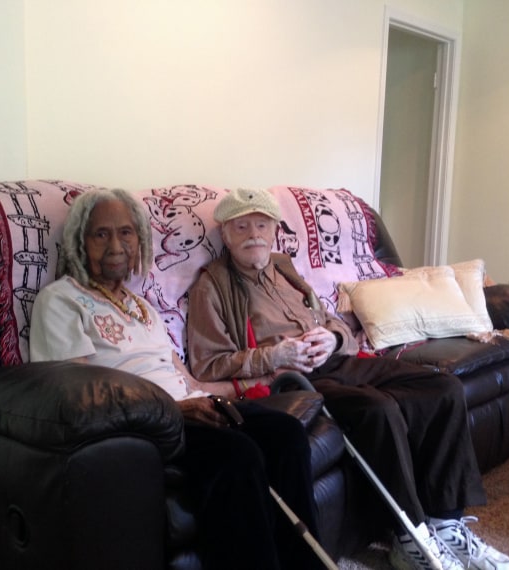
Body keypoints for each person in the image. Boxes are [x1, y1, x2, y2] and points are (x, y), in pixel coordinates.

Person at [186, 188, 509, 570]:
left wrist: (333, 338)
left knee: (441, 387)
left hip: (336, 360)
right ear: (225, 235)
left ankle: (446, 521)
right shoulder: (211, 286)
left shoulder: (283, 268)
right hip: (292, 379)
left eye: (261, 225)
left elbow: (329, 319)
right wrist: (275, 355)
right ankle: (408, 533)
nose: (253, 235)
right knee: (376, 409)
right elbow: (208, 364)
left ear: (275, 229)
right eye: (241, 227)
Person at [29, 188, 324, 570]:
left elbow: (184, 378)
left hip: (191, 407)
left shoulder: (143, 308)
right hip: (140, 426)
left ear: (140, 241)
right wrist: (174, 409)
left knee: (286, 433)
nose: (115, 245)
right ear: (79, 242)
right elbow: (80, 395)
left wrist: (254, 382)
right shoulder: (60, 301)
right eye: (100, 234)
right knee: (237, 454)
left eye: (126, 233)